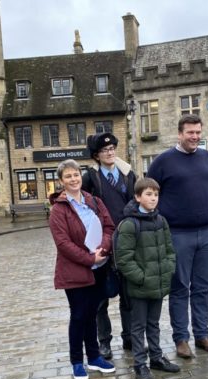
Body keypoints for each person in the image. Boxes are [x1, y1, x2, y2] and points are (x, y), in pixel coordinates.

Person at [148, 114, 208, 358]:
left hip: (206, 234)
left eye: (198, 132)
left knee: (203, 288)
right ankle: (181, 338)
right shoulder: (163, 161)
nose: (195, 137)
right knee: (180, 288)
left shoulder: (206, 157)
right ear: (179, 134)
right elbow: (149, 194)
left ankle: (202, 334)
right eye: (190, 132)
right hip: (178, 235)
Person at [48, 159, 116, 379]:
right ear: (61, 181)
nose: (73, 179)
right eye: (68, 176)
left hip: (99, 267)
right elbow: (63, 244)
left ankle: (94, 357)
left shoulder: (94, 201)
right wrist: (89, 258)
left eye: (76, 174)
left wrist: (104, 248)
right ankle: (77, 361)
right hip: (76, 270)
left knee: (92, 314)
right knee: (79, 315)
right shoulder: (59, 210)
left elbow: (109, 226)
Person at [115, 177, 179, 379]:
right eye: (148, 194)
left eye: (156, 194)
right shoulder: (129, 224)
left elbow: (169, 250)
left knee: (154, 324)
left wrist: (167, 269)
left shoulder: (161, 221)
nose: (153, 198)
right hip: (140, 286)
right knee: (138, 326)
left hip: (158, 284)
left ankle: (156, 357)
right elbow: (123, 259)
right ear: (137, 197)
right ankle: (140, 364)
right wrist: (141, 278)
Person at [82, 132, 136, 359]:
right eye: (105, 150)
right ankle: (104, 342)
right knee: (101, 299)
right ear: (96, 155)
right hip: (101, 243)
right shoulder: (90, 178)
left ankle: (129, 337)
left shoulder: (127, 175)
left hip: (126, 243)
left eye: (112, 148)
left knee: (128, 295)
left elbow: (136, 202)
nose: (110, 153)